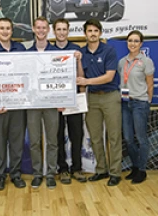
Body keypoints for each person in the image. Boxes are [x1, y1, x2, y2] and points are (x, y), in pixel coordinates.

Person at [0, 17, 27, 191]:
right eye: (2, 28)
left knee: (17, 143)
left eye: (8, 28)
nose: (5, 31)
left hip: (17, 104)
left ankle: (15, 174)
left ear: (12, 30)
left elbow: (27, 75)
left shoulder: (20, 49)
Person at [76, 18, 122, 186]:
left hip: (110, 96)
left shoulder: (109, 50)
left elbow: (109, 76)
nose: (93, 34)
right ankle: (101, 170)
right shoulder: (82, 53)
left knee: (114, 136)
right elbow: (81, 76)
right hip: (92, 98)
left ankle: (115, 172)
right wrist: (79, 61)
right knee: (95, 136)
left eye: (96, 31)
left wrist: (87, 82)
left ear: (100, 33)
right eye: (90, 31)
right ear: (85, 33)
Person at [118, 30, 154, 184]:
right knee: (128, 138)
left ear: (141, 44)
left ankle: (142, 170)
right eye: (130, 40)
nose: (132, 43)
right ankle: (134, 166)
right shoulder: (121, 62)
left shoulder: (146, 61)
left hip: (140, 103)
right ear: (127, 43)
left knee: (141, 138)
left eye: (136, 41)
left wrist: (147, 101)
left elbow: (150, 83)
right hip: (125, 103)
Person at [53, 18, 86, 184]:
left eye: (64, 29)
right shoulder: (49, 51)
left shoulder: (76, 49)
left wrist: (79, 60)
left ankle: (77, 168)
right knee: (58, 136)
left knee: (77, 135)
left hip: (73, 99)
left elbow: (81, 77)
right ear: (54, 31)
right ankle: (63, 169)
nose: (61, 32)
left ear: (68, 31)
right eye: (58, 29)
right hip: (56, 100)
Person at [27, 16, 59, 189]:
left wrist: (62, 99)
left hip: (51, 103)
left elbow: (63, 78)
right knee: (34, 141)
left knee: (52, 140)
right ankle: (37, 173)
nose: (40, 30)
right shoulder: (25, 54)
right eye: (38, 27)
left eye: (44, 28)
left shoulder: (57, 54)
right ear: (33, 29)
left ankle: (51, 173)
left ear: (48, 30)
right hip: (32, 103)